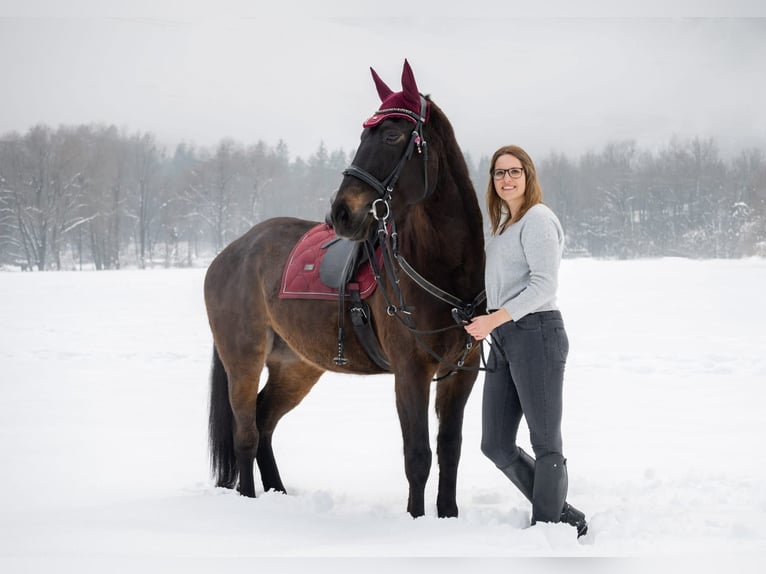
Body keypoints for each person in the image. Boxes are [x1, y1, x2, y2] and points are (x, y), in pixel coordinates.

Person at [464, 144, 588, 537]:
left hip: (537, 333)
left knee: (545, 440)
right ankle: (561, 513)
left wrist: (494, 318)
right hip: (505, 337)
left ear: (528, 175)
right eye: (499, 173)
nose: (506, 179)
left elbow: (543, 284)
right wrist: (484, 316)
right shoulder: (503, 227)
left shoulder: (538, 219)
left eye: (514, 171)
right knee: (495, 443)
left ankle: (549, 529)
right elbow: (504, 286)